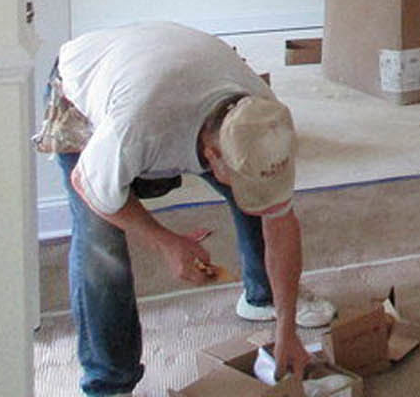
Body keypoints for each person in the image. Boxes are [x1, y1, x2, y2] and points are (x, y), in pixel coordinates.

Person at [51, 21, 335, 396]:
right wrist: (166, 242)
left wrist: (287, 330)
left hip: (169, 67)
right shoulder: (137, 128)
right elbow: (86, 184)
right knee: (100, 242)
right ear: (211, 155)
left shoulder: (266, 120)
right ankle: (108, 382)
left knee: (258, 197)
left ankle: (263, 297)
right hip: (86, 87)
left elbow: (280, 223)